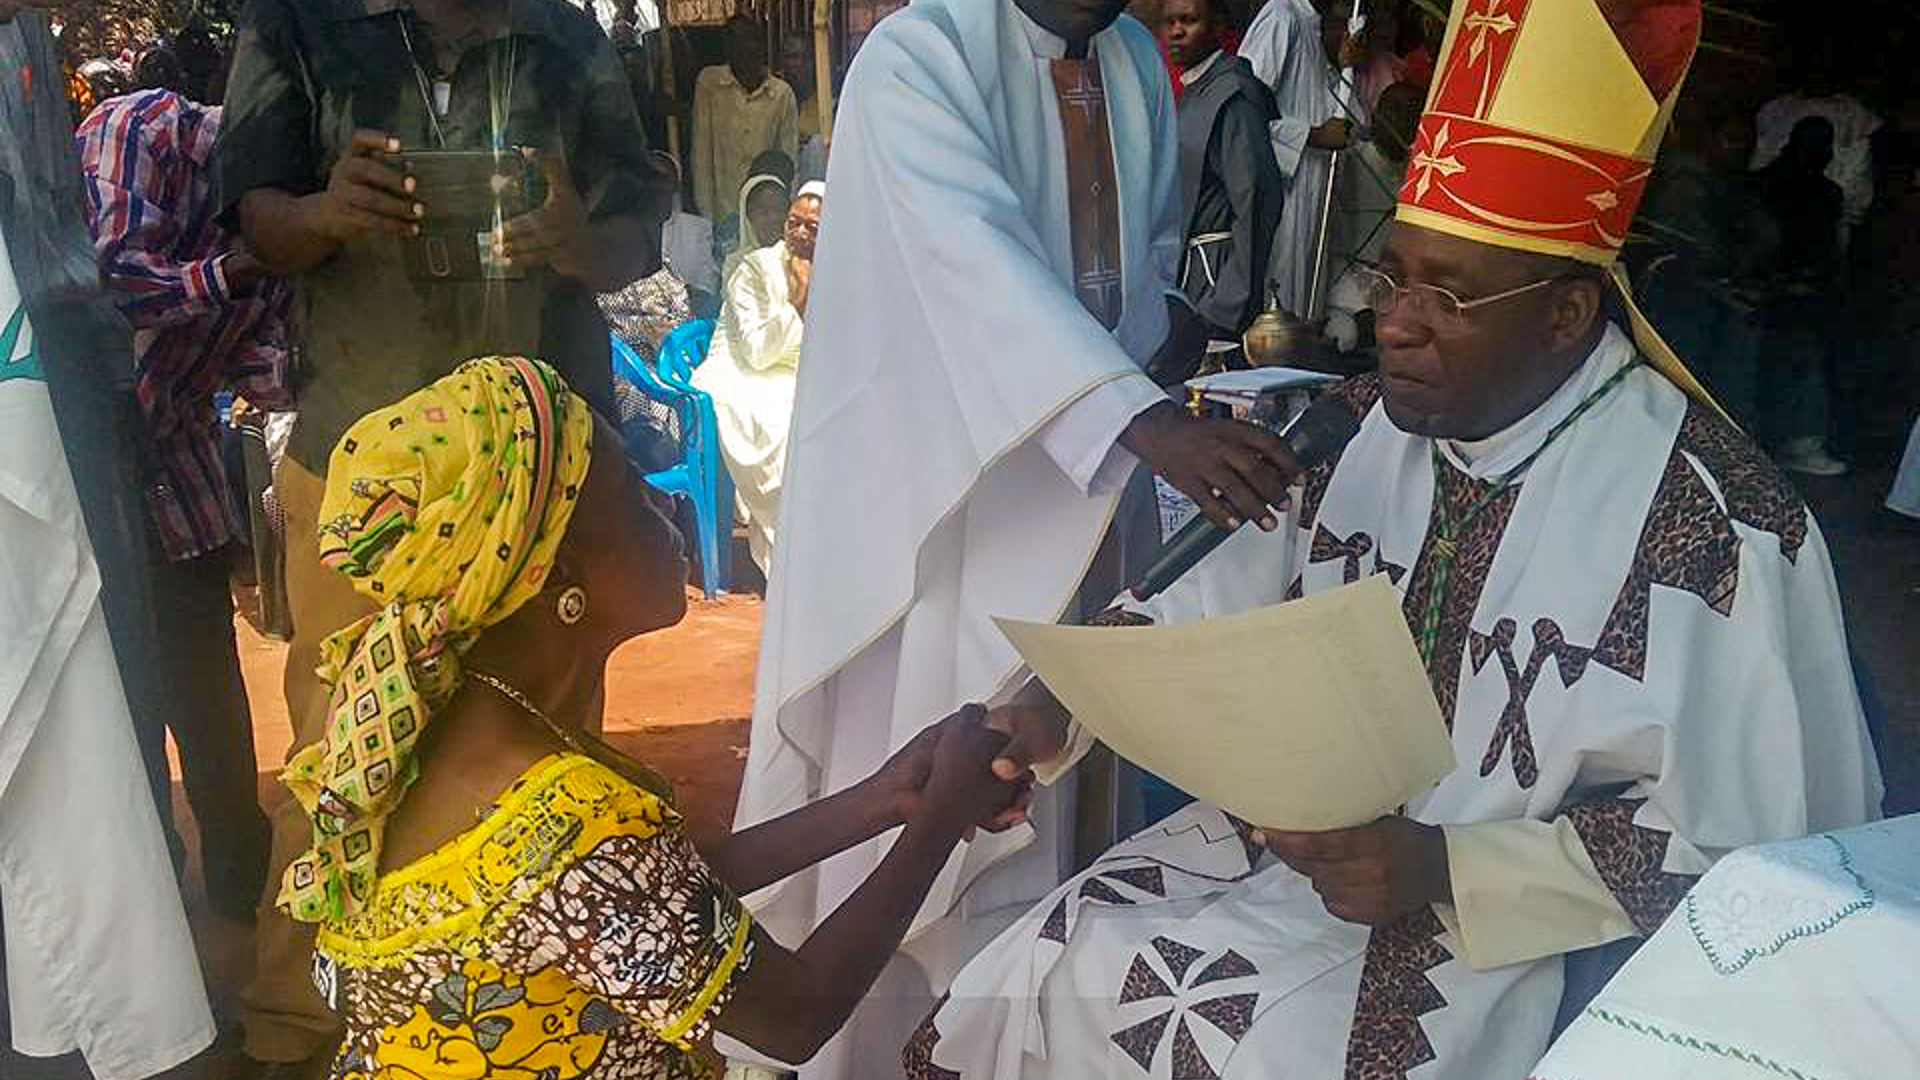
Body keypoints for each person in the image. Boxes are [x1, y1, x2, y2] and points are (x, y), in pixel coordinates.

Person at [907, 3, 1884, 1077]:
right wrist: (1052, 709)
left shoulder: (1714, 524)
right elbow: (1200, 613)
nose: (1397, 320)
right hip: (1272, 859)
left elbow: (1769, 856)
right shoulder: (1355, 425)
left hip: (1516, 938)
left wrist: (1453, 870)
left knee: (1226, 1049)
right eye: (1394, 276)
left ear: (1566, 313)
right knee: (1041, 963)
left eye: (1448, 295)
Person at [730, 0, 1307, 1073]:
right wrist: (1143, 419)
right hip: (937, 511)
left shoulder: (1131, 58)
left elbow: (1140, 270)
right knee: (920, 792)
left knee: (1055, 803)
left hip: (1086, 496)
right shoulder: (916, 57)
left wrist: (1167, 348)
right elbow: (971, 264)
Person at [288, 356, 1027, 1080]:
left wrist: (883, 800)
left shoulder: (440, 728)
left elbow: (658, 895)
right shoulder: (563, 815)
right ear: (560, 570)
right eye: (636, 496)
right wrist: (938, 820)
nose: (670, 504)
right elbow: (795, 1017)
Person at [213, 0, 663, 1071]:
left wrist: (576, 244)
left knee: (549, 735)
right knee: (337, 745)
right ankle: (301, 1028)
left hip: (544, 476)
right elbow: (251, 223)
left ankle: (543, 992)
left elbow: (640, 225)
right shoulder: (298, 27)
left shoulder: (565, 34)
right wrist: (326, 213)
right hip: (363, 473)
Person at [0, 4, 215, 1077]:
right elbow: (122, 280)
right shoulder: (139, 138)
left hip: (90, 434)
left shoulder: (28, 52)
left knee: (113, 724)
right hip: (60, 436)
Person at [75, 61, 281, 922]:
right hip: (91, 479)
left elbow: (257, 364)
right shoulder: (140, 131)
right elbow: (112, 283)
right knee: (120, 709)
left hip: (181, 479)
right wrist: (234, 269)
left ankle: (240, 899)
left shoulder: (282, 231)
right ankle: (146, 916)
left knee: (213, 706)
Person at [695, 183, 822, 576]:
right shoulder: (752, 268)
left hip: (803, 372)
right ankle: (790, 565)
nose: (799, 234)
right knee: (788, 425)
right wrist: (799, 301)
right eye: (793, 223)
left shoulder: (846, 268)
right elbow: (758, 353)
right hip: (744, 375)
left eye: (813, 228)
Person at [1162, 0, 1285, 370]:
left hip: (1217, 276)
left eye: (1189, 20)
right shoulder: (1198, 88)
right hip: (1191, 272)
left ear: (1218, 28)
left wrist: (1229, 300)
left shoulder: (1232, 95)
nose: (1176, 31)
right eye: (1170, 22)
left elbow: (1257, 198)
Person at [1239, 0, 1354, 318]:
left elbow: (1334, 119)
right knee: (1278, 304)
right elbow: (1244, 108)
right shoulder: (1281, 15)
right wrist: (1313, 135)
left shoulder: (1312, 26)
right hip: (1284, 186)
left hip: (1312, 184)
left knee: (1304, 300)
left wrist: (1344, 65)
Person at [1757, 117, 1848, 477]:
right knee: (1797, 366)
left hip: (1783, 290)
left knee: (1777, 367)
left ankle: (1779, 441)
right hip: (1783, 292)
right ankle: (1799, 441)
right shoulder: (1816, 192)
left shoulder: (1771, 182)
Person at [693, 15, 799, 220]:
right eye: (737, 41)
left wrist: (785, 212)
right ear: (728, 49)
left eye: (752, 39)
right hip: (721, 213)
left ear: (762, 45)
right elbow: (702, 156)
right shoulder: (710, 84)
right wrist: (706, 215)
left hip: (765, 215)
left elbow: (789, 158)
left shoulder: (781, 94)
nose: (747, 47)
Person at [720, 168, 793, 289]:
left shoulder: (798, 260)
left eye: (780, 210)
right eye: (764, 212)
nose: (774, 218)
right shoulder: (736, 264)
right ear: (748, 216)